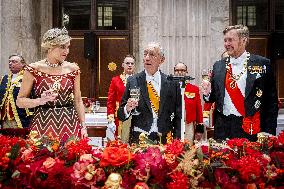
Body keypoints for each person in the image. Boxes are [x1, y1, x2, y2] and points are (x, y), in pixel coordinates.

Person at [201, 25, 278, 141]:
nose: (226, 44)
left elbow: (271, 102)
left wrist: (268, 132)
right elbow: (213, 98)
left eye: (230, 40)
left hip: (250, 126)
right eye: (225, 40)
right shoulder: (218, 65)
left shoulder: (262, 64)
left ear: (243, 40)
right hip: (223, 128)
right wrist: (207, 93)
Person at [16, 27, 87, 141]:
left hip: (70, 123)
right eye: (62, 47)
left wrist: (83, 126)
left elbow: (78, 100)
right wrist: (39, 101)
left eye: (68, 47)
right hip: (42, 124)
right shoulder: (33, 69)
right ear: (50, 46)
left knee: (72, 157)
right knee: (43, 158)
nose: (66, 51)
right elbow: (20, 101)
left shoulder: (73, 69)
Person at [117, 42, 181, 144]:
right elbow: (120, 114)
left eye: (152, 54)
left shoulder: (172, 83)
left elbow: (178, 116)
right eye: (145, 54)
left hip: (164, 139)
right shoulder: (133, 80)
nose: (147, 58)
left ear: (161, 60)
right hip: (140, 139)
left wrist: (177, 141)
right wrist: (127, 108)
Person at [107, 54, 135, 141]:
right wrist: (110, 119)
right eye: (127, 63)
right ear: (123, 65)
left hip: (136, 116)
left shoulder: (139, 79)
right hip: (120, 117)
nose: (130, 65)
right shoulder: (115, 80)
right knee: (121, 143)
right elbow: (110, 101)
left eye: (132, 63)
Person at [0, 54, 32, 130]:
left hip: (22, 116)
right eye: (9, 62)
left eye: (14, 62)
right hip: (5, 118)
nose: (10, 63)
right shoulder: (4, 78)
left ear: (23, 64)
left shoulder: (28, 77)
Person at [174, 62, 203, 144]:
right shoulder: (169, 88)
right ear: (174, 72)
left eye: (182, 70)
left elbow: (199, 110)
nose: (180, 72)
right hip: (174, 125)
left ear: (186, 72)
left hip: (188, 125)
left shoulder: (194, 89)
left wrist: (199, 129)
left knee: (188, 150)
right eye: (177, 70)